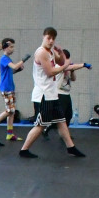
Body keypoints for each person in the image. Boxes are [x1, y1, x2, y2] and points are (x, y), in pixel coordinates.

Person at [19, 28, 86, 159]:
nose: (51, 41)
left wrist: (61, 53)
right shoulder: (41, 53)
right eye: (48, 38)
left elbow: (60, 61)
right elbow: (51, 72)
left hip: (52, 94)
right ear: (43, 37)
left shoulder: (50, 52)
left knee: (62, 122)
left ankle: (71, 147)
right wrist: (66, 65)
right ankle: (24, 149)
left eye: (53, 39)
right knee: (40, 126)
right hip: (43, 96)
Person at [0, 38, 26, 141]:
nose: (13, 49)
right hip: (6, 87)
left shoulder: (8, 59)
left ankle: (9, 133)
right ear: (5, 47)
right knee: (9, 110)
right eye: (11, 47)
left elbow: (11, 71)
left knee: (12, 112)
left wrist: (18, 70)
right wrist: (23, 60)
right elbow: (14, 66)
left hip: (10, 87)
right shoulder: (4, 58)